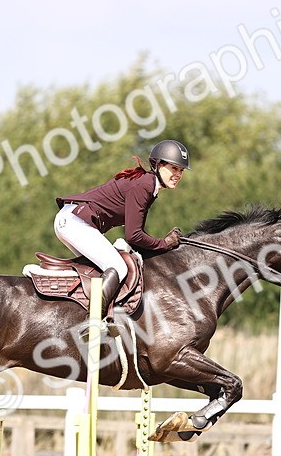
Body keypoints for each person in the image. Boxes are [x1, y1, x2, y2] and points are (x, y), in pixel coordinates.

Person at [53, 139, 189, 328]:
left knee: (102, 270)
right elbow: (134, 235)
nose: (178, 175)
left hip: (72, 220)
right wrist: (164, 243)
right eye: (174, 168)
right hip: (75, 222)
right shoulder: (145, 185)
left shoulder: (149, 186)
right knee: (118, 267)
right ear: (158, 165)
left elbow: (135, 236)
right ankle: (92, 324)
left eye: (181, 171)